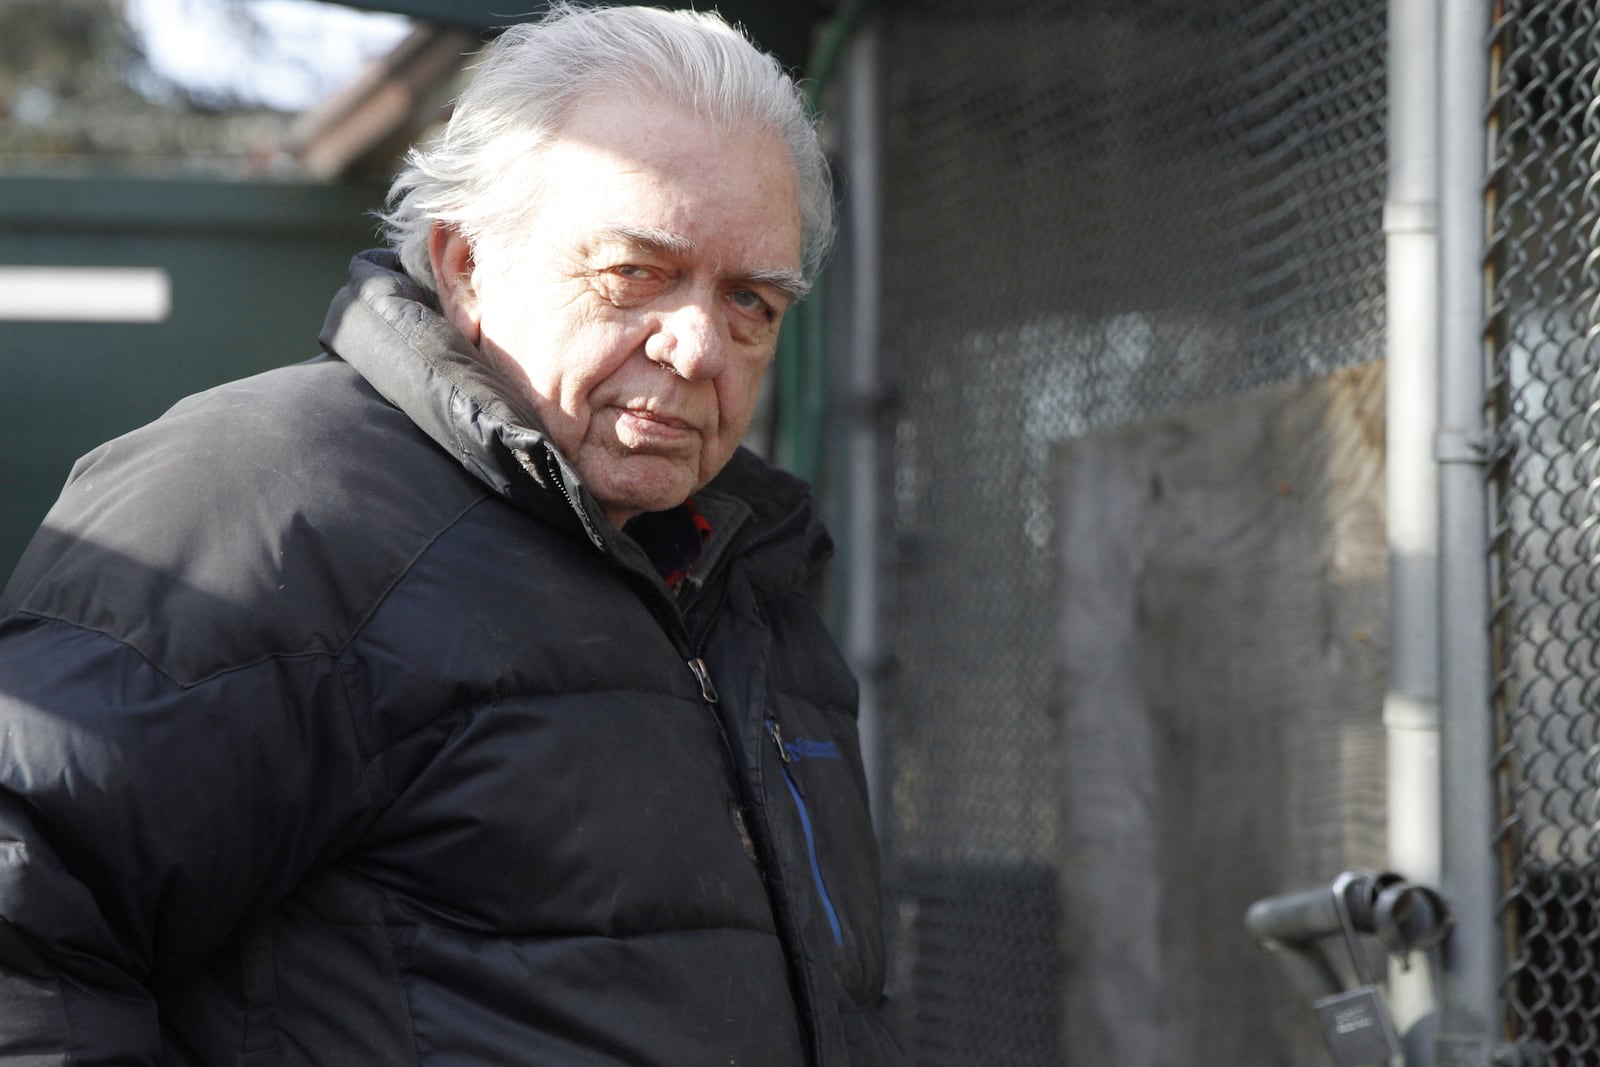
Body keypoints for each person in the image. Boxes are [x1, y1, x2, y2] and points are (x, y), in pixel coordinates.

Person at [0, 5, 902, 1064]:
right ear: (466, 264)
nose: (698, 344)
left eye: (750, 299)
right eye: (635, 271)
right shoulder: (265, 504)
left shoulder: (748, 574)